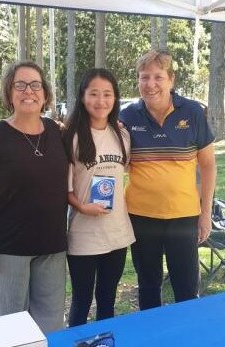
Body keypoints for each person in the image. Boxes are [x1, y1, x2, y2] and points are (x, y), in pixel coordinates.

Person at [0, 61, 68, 333]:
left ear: (45, 93)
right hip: (7, 249)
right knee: (7, 330)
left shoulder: (57, 133)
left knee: (50, 328)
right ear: (9, 93)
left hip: (53, 247)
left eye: (35, 85)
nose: (28, 91)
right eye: (19, 85)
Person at [120, 50, 216, 310]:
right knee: (148, 286)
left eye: (158, 77)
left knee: (186, 289)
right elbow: (118, 161)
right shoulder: (127, 117)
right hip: (141, 216)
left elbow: (208, 166)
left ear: (171, 79)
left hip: (183, 215)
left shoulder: (193, 112)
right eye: (144, 77)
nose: (150, 84)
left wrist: (205, 214)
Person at [63, 68, 135, 327]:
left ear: (115, 98)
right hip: (84, 235)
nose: (101, 100)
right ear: (82, 97)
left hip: (116, 233)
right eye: (94, 93)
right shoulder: (70, 137)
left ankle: (106, 342)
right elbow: (65, 189)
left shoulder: (122, 135)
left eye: (107, 94)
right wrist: (82, 206)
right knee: (81, 301)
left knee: (107, 299)